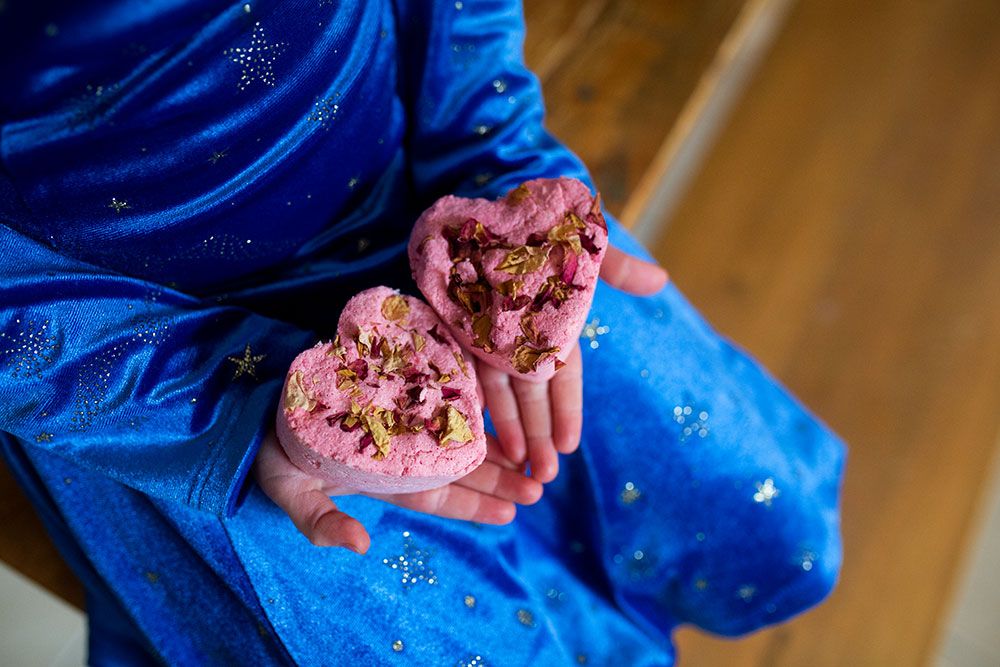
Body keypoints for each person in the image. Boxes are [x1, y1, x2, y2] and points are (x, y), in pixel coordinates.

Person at [0, 0, 846, 664]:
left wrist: (498, 157)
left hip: (442, 215)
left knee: (715, 485)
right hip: (137, 349)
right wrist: (223, 408)